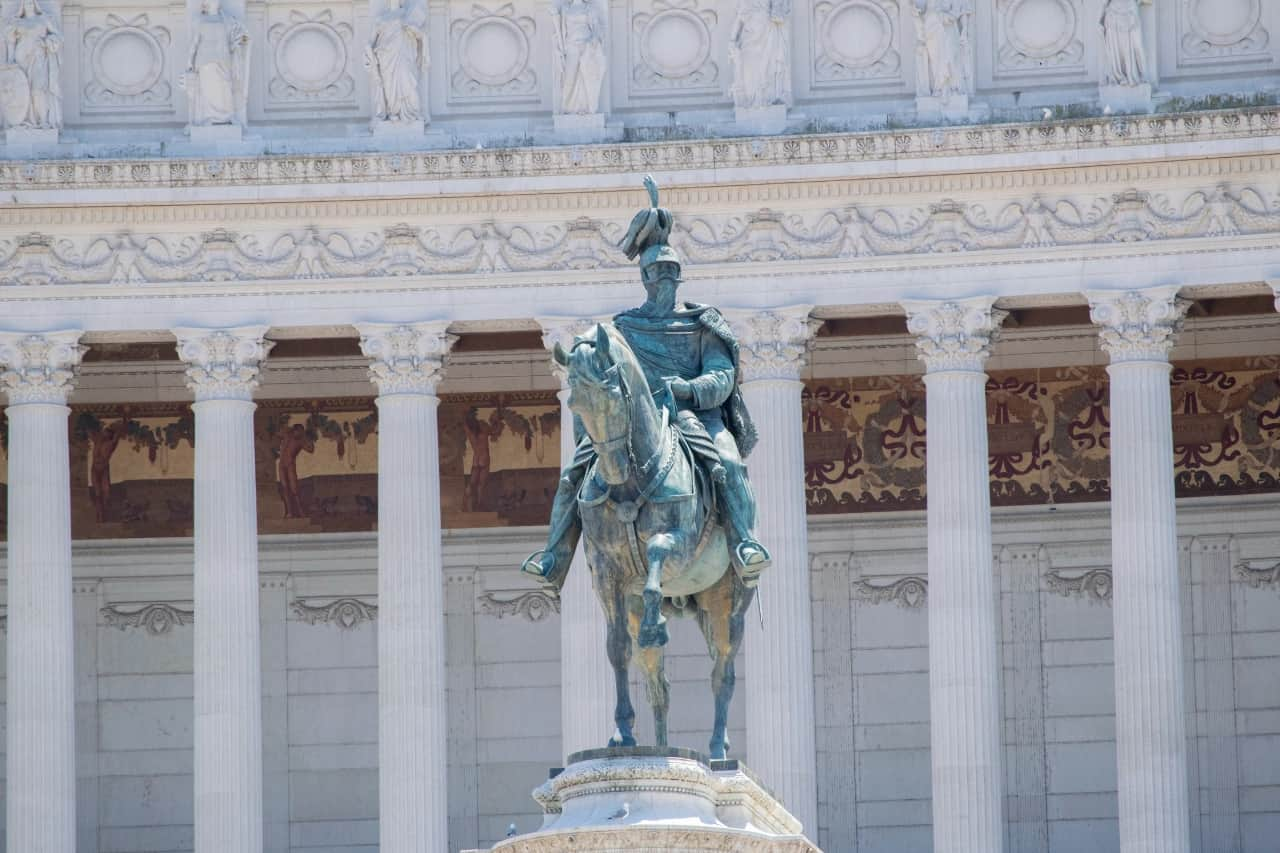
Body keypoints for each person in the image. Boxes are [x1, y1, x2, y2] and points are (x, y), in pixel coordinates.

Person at [523, 179, 771, 589]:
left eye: (670, 276)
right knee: (572, 476)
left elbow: (722, 377)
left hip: (692, 417)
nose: (663, 284)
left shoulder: (700, 323)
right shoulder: (624, 329)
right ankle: (555, 556)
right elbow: (600, 379)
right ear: (644, 279)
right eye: (656, 276)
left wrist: (688, 390)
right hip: (634, 422)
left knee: (727, 461)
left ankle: (745, 544)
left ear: (679, 279)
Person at [2, 0, 63, 129]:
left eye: (31, 2)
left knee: (38, 90)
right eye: (26, 2)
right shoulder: (17, 22)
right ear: (22, 6)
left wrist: (47, 41)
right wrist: (11, 61)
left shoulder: (44, 20)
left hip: (38, 58)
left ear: (36, 5)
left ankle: (43, 121)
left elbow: (57, 37)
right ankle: (22, 120)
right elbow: (10, 42)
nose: (29, 4)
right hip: (21, 59)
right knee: (22, 90)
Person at [365, 0, 428, 123]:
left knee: (409, 84)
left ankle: (412, 113)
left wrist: (413, 30)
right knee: (389, 88)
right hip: (386, 58)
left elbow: (421, 35)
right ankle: (393, 112)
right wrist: (368, 51)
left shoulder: (408, 14)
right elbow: (370, 42)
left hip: (405, 55)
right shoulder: (380, 19)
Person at [277, 422, 314, 518]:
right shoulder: (287, 434)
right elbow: (279, 432)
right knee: (284, 488)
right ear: (295, 430)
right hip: (281, 465)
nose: (300, 433)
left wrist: (306, 438)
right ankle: (289, 512)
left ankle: (300, 512)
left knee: (294, 489)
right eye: (299, 431)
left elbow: (311, 450)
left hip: (290, 465)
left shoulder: (301, 440)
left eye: (302, 432)